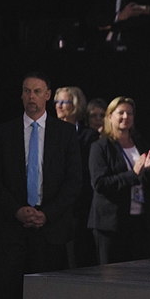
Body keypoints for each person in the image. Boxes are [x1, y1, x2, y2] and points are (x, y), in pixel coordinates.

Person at [0, 72, 82, 299]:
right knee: (1, 298)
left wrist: (47, 214)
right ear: (21, 95)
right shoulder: (5, 132)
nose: (31, 96)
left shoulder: (65, 133)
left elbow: (74, 181)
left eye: (37, 91)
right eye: (27, 91)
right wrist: (16, 210)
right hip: (12, 228)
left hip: (49, 229)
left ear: (48, 95)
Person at [87, 96, 150, 265]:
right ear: (110, 116)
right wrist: (133, 174)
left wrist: (148, 170)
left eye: (130, 113)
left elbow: (148, 181)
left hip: (138, 221)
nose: (126, 117)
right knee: (112, 275)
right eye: (121, 113)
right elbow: (99, 183)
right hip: (111, 224)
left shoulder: (140, 144)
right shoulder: (100, 147)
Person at [54, 86, 100, 268]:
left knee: (78, 254)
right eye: (57, 102)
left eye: (64, 102)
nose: (59, 106)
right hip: (54, 204)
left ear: (76, 105)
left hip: (80, 204)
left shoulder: (89, 136)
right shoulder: (48, 133)